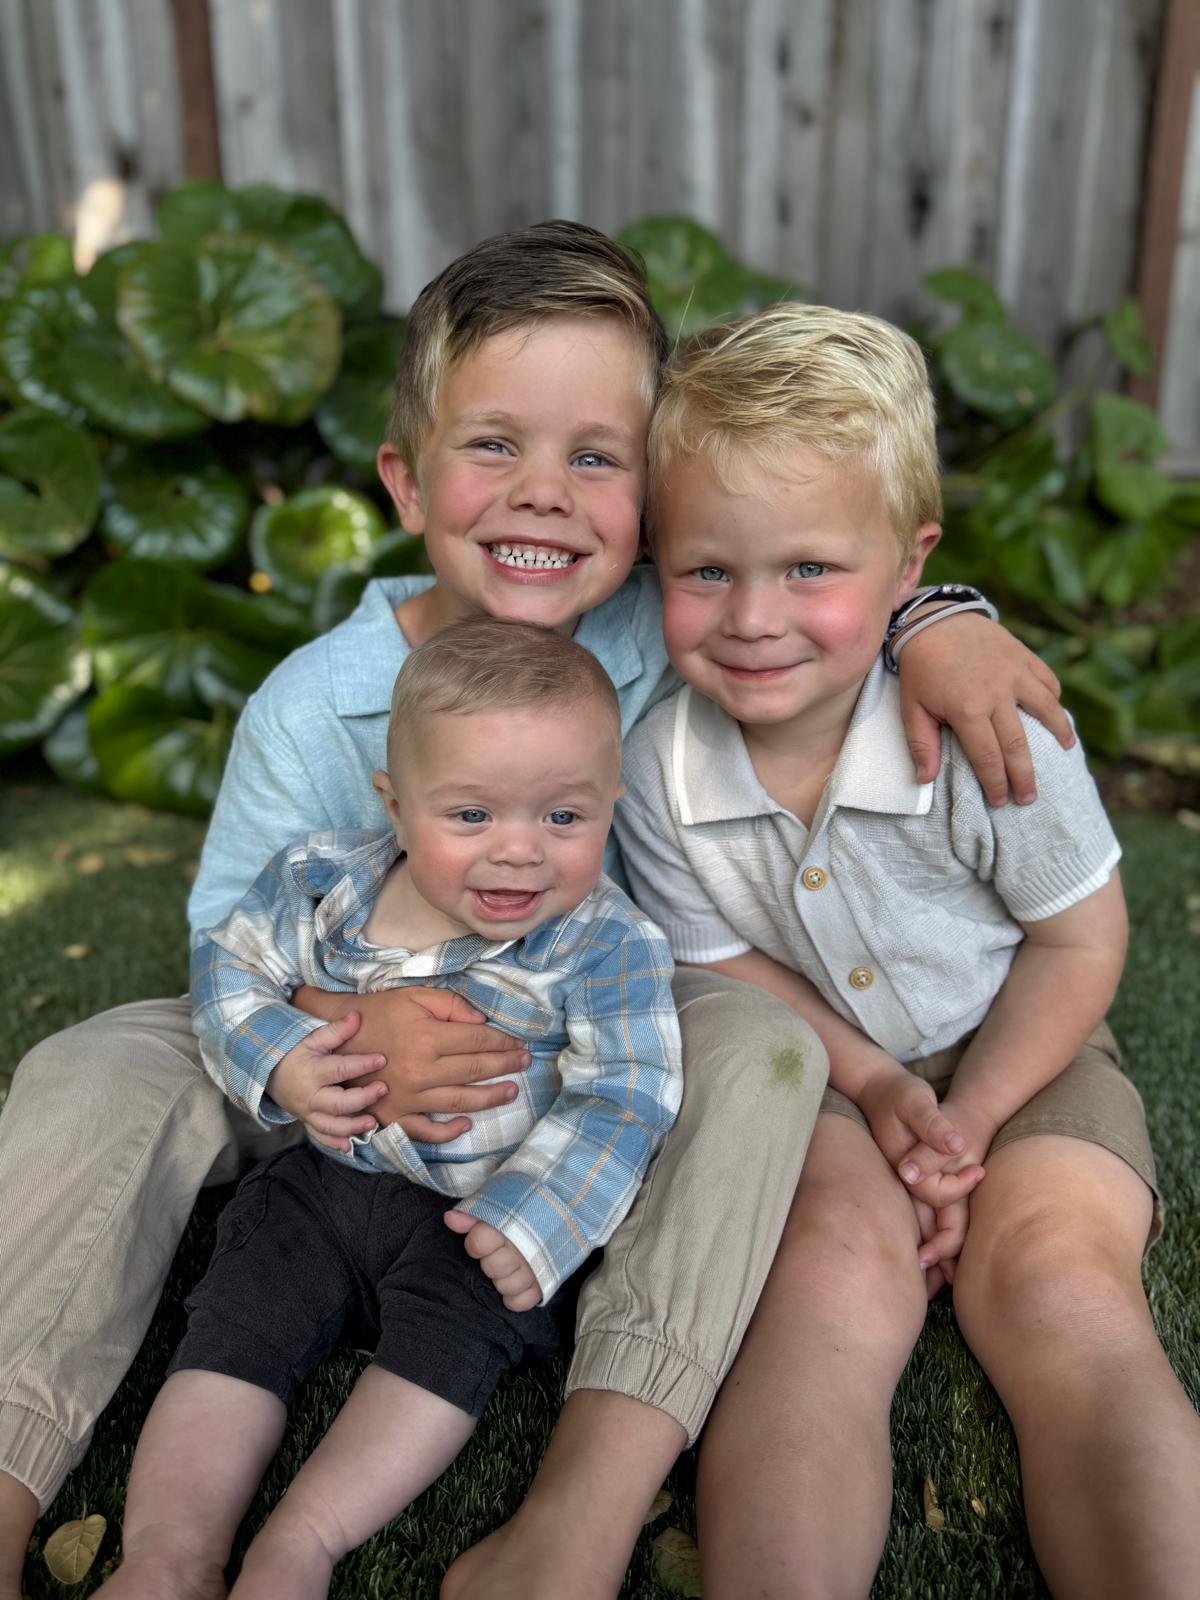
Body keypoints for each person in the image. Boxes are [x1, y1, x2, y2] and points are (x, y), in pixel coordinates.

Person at [0, 219, 1070, 1600]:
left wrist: (944, 618)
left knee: (759, 1045)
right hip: (336, 1074)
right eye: (494, 444)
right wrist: (347, 1021)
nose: (544, 496)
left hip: (594, 1067)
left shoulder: (666, 623)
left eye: (598, 457)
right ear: (405, 479)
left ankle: (595, 1478)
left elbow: (820, 571)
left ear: (661, 502)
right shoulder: (311, 706)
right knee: (100, 1060)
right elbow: (229, 951)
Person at [609, 302, 1200, 1600]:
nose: (755, 616)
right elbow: (721, 967)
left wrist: (973, 1118)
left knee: (1057, 1282)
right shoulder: (654, 773)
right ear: (657, 562)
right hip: (825, 1073)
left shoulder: (990, 732)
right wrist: (879, 1091)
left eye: (811, 569)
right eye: (707, 570)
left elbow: (1079, 940)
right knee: (822, 1285)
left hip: (1027, 1048)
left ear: (908, 563)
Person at [96, 617, 683, 1600]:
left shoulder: (605, 942)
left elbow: (627, 1089)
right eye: (471, 816)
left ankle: (301, 1545)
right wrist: (281, 1057)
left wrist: (534, 1219)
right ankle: (169, 1553)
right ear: (397, 804)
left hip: (476, 1216)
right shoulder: (322, 880)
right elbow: (230, 969)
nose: (518, 854)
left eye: (564, 819)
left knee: (445, 1349)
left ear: (610, 805)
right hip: (325, 1184)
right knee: (236, 1322)